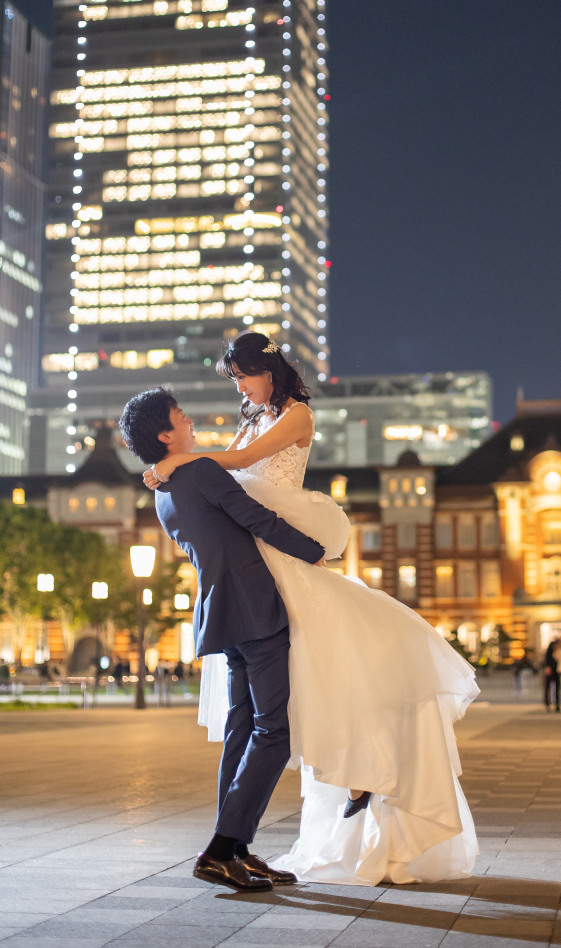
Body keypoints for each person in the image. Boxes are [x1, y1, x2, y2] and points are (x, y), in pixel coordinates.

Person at [139, 330, 479, 886]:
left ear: (268, 373)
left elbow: (241, 464)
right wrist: (176, 464)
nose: (239, 389)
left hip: (276, 556)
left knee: (344, 657)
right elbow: (230, 491)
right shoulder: (248, 417)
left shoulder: (294, 417)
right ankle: (243, 838)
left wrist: (174, 460)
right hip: (263, 568)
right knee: (288, 695)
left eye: (243, 377)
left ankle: (354, 774)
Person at [120, 383, 327, 894]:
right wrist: (315, 550)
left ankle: (236, 850)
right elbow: (254, 519)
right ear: (167, 434)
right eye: (182, 417)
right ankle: (220, 849)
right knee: (273, 731)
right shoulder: (200, 472)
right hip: (254, 609)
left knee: (242, 729)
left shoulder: (165, 495)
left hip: (221, 614)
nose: (191, 421)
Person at [543, 636, 561, 712]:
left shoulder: (560, 650)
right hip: (550, 670)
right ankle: (547, 704)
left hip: (557, 671)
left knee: (557, 688)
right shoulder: (550, 649)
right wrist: (547, 667)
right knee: (548, 688)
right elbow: (547, 658)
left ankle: (557, 704)